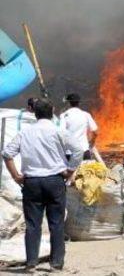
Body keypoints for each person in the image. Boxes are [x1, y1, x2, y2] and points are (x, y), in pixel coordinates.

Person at [2, 98, 82, 271]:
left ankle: (31, 264)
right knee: (56, 224)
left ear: (34, 113)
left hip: (31, 183)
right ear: (52, 111)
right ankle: (56, 264)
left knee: (32, 225)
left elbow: (7, 154)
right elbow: (78, 150)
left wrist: (16, 176)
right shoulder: (58, 131)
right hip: (54, 181)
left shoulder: (25, 133)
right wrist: (70, 171)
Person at [59, 93, 98, 161]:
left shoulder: (63, 116)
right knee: (85, 171)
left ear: (68, 103)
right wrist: (92, 142)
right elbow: (95, 131)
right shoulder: (86, 115)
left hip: (70, 152)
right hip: (84, 150)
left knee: (71, 171)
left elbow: (61, 133)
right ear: (79, 103)